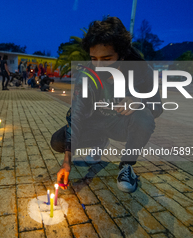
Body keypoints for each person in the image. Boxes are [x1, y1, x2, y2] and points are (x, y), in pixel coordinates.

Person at [51, 17, 163, 193]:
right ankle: (99, 141)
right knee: (59, 141)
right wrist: (67, 162)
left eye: (107, 58)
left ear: (122, 54)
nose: (99, 65)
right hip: (94, 124)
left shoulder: (142, 71)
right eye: (94, 58)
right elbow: (77, 115)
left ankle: (126, 166)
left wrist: (139, 100)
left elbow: (157, 106)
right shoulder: (87, 75)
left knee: (144, 117)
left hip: (119, 125)